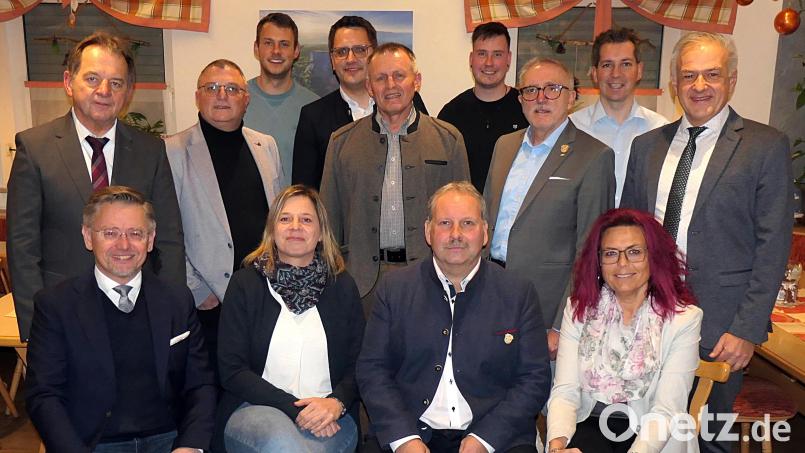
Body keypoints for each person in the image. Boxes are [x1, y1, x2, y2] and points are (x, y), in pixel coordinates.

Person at [620, 32, 793, 453]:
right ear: (676, 84)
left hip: (721, 326)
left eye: (711, 75)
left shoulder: (764, 146)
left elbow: (773, 244)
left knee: (709, 438)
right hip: (649, 318)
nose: (699, 86)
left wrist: (747, 329)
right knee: (640, 432)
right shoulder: (646, 147)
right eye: (689, 76)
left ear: (731, 80)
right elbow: (627, 232)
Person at [7, 31, 184, 342]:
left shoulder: (150, 151)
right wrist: (35, 327)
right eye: (92, 79)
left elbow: (168, 238)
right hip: (62, 315)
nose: (104, 91)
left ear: (128, 91)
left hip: (138, 311)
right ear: (68, 82)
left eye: (116, 83)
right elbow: (23, 248)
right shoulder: (35, 148)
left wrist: (171, 314)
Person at [357, 181, 551, 453]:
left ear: (485, 233)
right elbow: (372, 370)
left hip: (494, 437)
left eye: (468, 223)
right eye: (445, 223)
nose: (456, 234)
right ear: (428, 231)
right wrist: (403, 438)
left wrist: (485, 439)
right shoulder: (394, 288)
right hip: (411, 433)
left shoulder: (518, 293)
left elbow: (535, 379)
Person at [26, 186, 215, 452]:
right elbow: (44, 395)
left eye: (135, 233)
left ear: (150, 240)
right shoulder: (56, 305)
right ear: (88, 237)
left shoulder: (177, 299)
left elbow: (201, 384)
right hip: (93, 443)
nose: (123, 245)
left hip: (170, 439)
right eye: (110, 233)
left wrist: (191, 445)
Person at [214, 185, 365, 453]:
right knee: (284, 446)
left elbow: (361, 363)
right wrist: (294, 409)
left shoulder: (342, 286)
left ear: (320, 234)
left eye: (306, 220)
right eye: (285, 219)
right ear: (272, 230)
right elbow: (232, 370)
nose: (295, 226)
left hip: (330, 414)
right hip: (255, 409)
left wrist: (336, 402)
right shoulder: (245, 284)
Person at [320, 42, 469, 306]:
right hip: (361, 283)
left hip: (429, 281)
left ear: (416, 81)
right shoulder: (342, 142)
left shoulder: (448, 139)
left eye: (399, 76)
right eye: (380, 78)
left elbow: (465, 219)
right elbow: (328, 220)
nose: (390, 85)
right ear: (369, 87)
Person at [484, 57, 615, 359]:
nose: (541, 98)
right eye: (531, 90)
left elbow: (590, 250)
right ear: (520, 99)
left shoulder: (594, 157)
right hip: (491, 294)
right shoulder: (504, 146)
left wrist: (562, 324)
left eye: (553, 89)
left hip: (546, 308)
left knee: (547, 400)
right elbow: (485, 221)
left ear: (572, 98)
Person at [546, 208, 702, 453]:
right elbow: (565, 391)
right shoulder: (578, 310)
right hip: (590, 423)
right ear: (598, 261)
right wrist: (557, 447)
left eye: (634, 252)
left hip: (652, 434)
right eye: (610, 253)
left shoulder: (683, 320)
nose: (622, 263)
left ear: (654, 257)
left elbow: (666, 410)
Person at [165, 59, 284, 377]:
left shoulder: (265, 145)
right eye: (212, 88)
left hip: (263, 292)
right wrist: (197, 289)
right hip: (209, 300)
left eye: (232, 88)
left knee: (262, 377)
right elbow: (167, 231)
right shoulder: (172, 151)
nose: (222, 95)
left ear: (246, 99)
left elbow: (278, 219)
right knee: (211, 388)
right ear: (197, 96)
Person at [293, 15, 428, 189]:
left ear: (374, 55)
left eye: (360, 50)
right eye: (341, 52)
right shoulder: (313, 117)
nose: (350, 59)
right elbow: (304, 191)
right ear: (332, 60)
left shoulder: (409, 101)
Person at [570, 28, 668, 207]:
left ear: (639, 71)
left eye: (626, 64)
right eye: (607, 65)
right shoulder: (572, 129)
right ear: (594, 73)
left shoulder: (661, 131)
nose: (616, 74)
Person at [438, 21, 527, 192]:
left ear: (508, 59)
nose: (489, 62)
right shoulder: (451, 113)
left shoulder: (525, 108)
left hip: (514, 211)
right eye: (482, 54)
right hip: (464, 213)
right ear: (471, 59)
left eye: (497, 54)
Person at [244, 12, 319, 181]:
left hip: (297, 207)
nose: (276, 51)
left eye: (284, 44)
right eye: (268, 43)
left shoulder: (314, 108)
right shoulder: (236, 102)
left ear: (296, 51)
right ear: (256, 48)